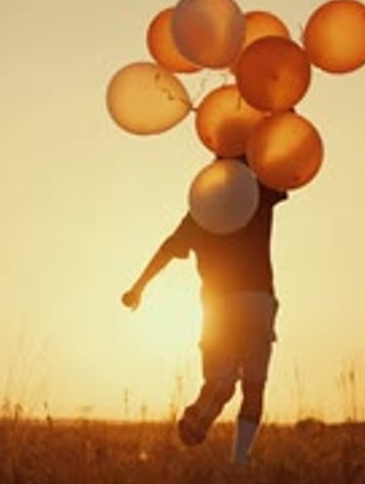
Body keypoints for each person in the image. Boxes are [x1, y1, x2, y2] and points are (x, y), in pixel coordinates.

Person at [121, 173, 287, 464]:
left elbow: (167, 249)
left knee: (220, 380)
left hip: (218, 305)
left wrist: (138, 287)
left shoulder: (202, 211)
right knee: (254, 385)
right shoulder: (258, 193)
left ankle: (203, 410)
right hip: (256, 299)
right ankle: (240, 460)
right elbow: (286, 173)